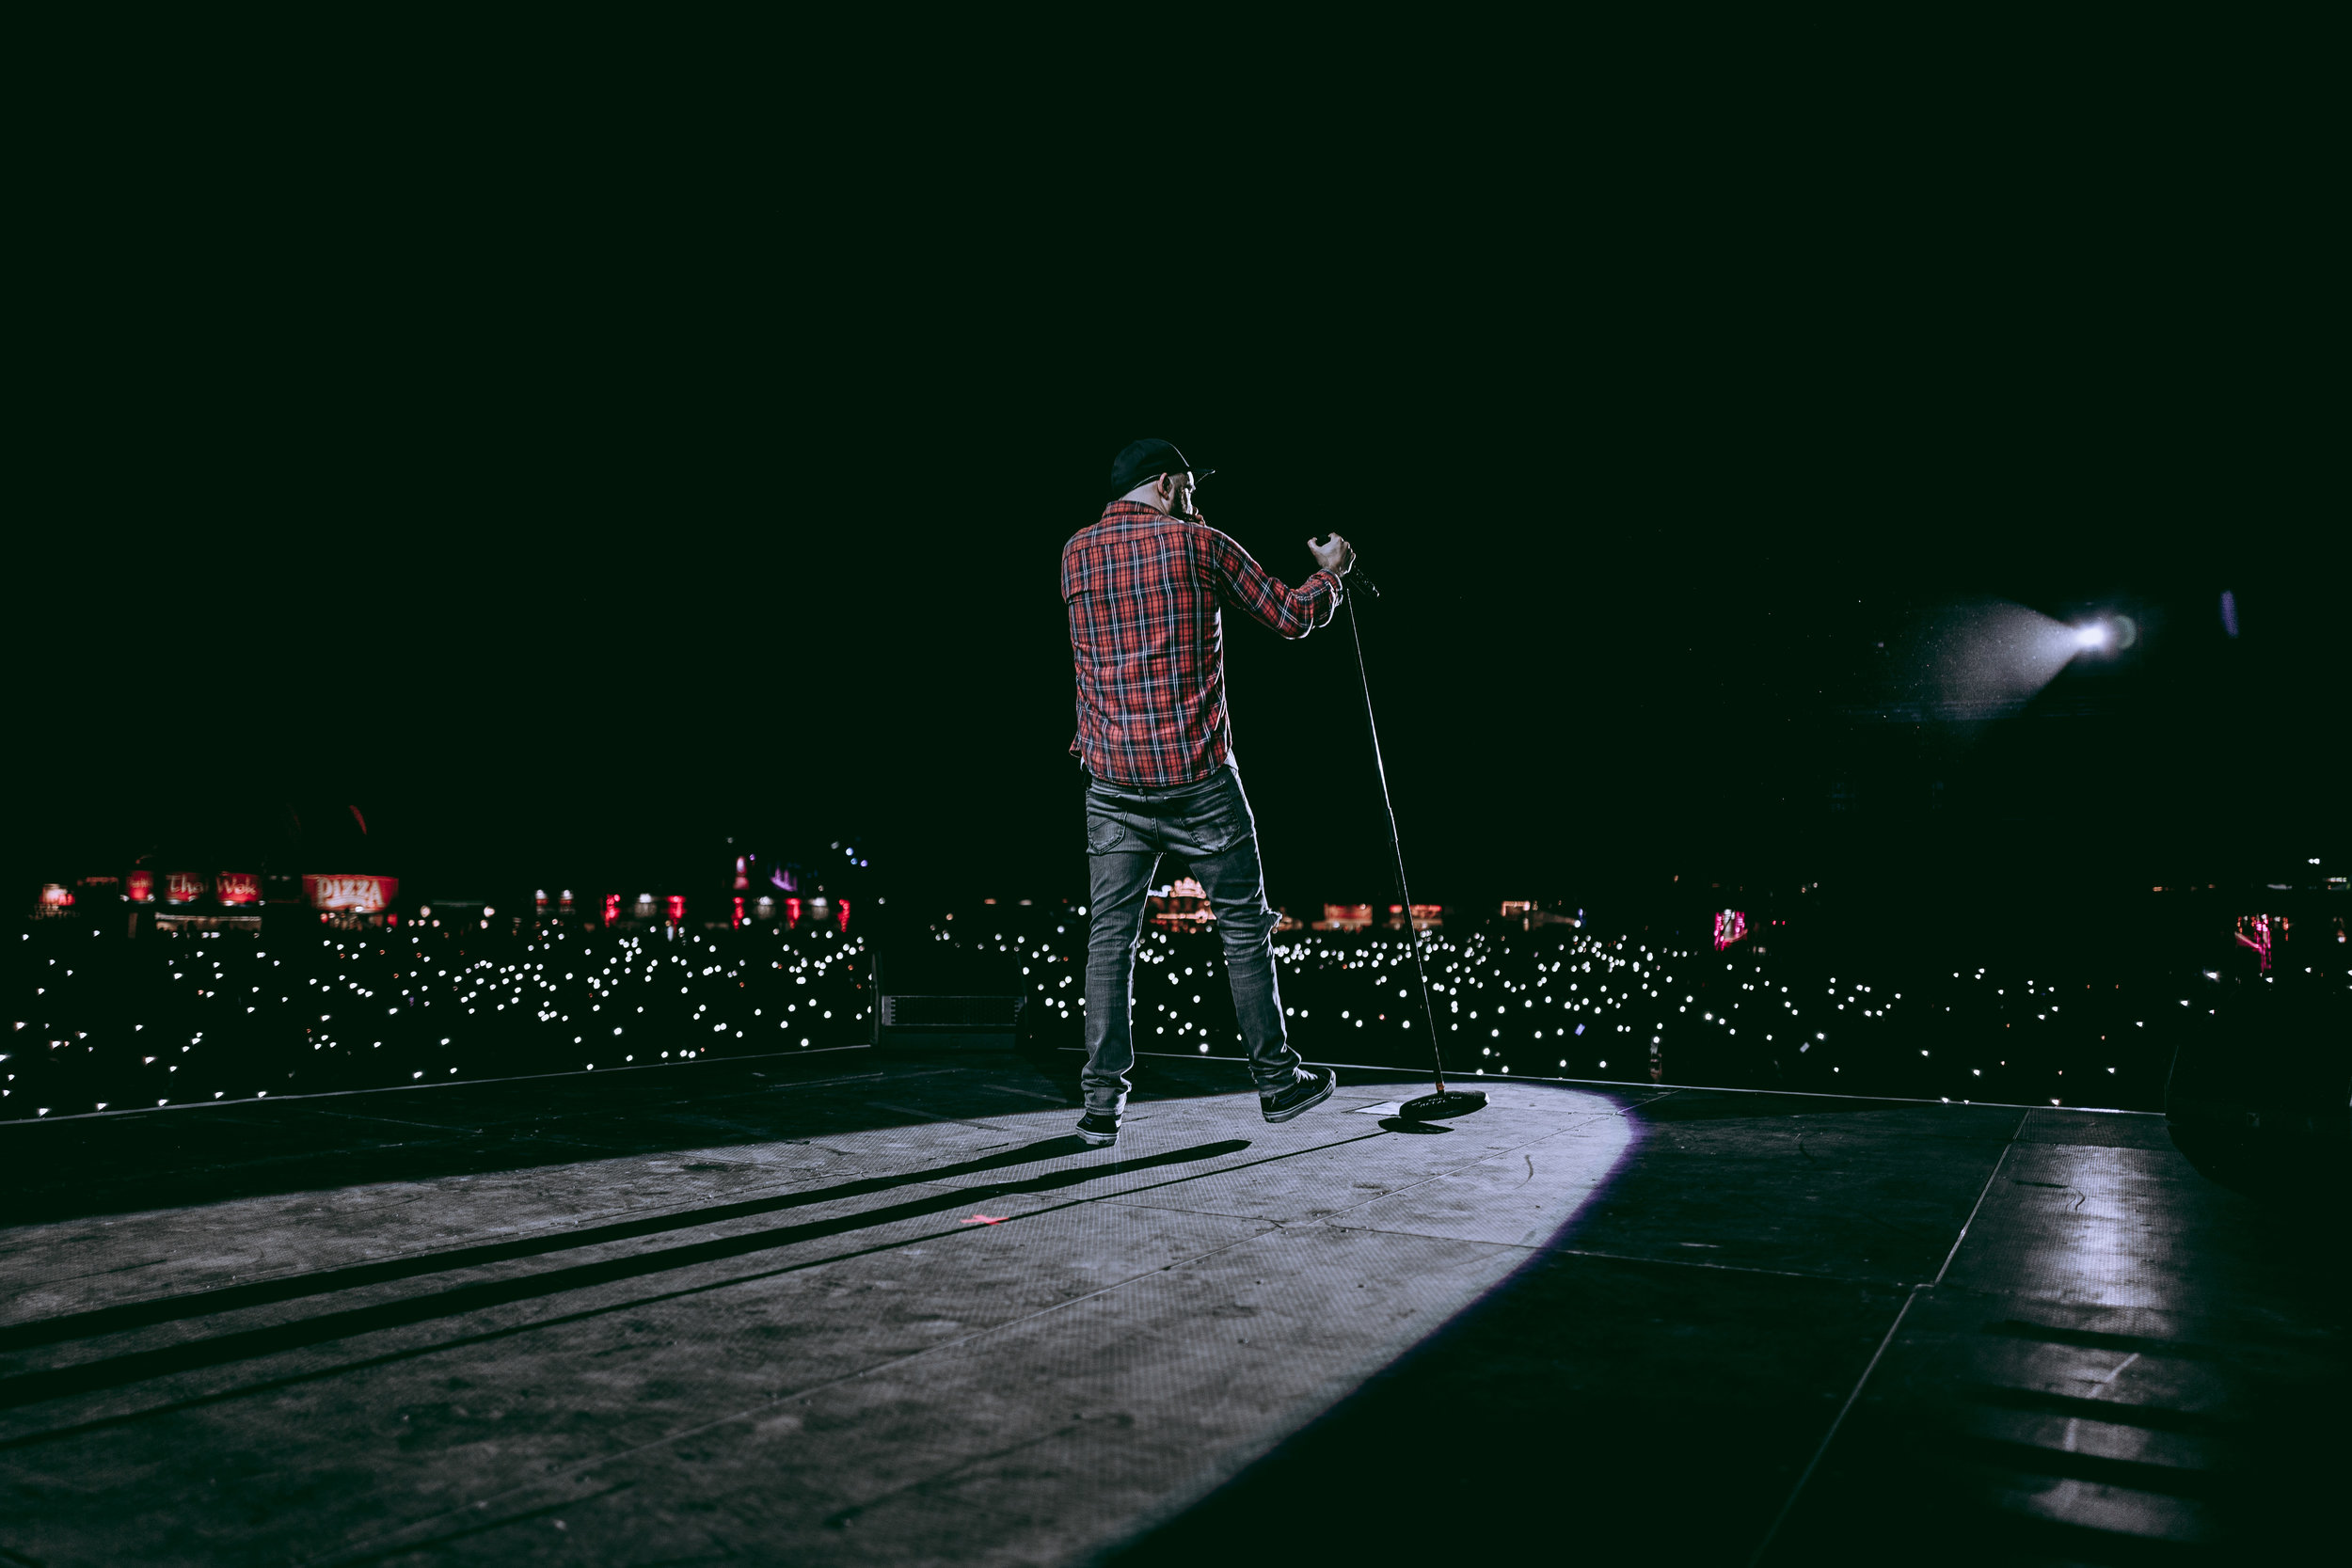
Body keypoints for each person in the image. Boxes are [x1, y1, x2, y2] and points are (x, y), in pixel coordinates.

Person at [1059, 437, 1355, 1148]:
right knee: (1243, 928)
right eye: (1190, 488)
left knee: (1110, 940)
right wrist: (1331, 576)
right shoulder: (1201, 544)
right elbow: (1290, 617)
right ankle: (1277, 1082)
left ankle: (1101, 1106)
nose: (1195, 501)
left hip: (1112, 781)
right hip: (1199, 782)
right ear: (1166, 484)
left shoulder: (1074, 553)